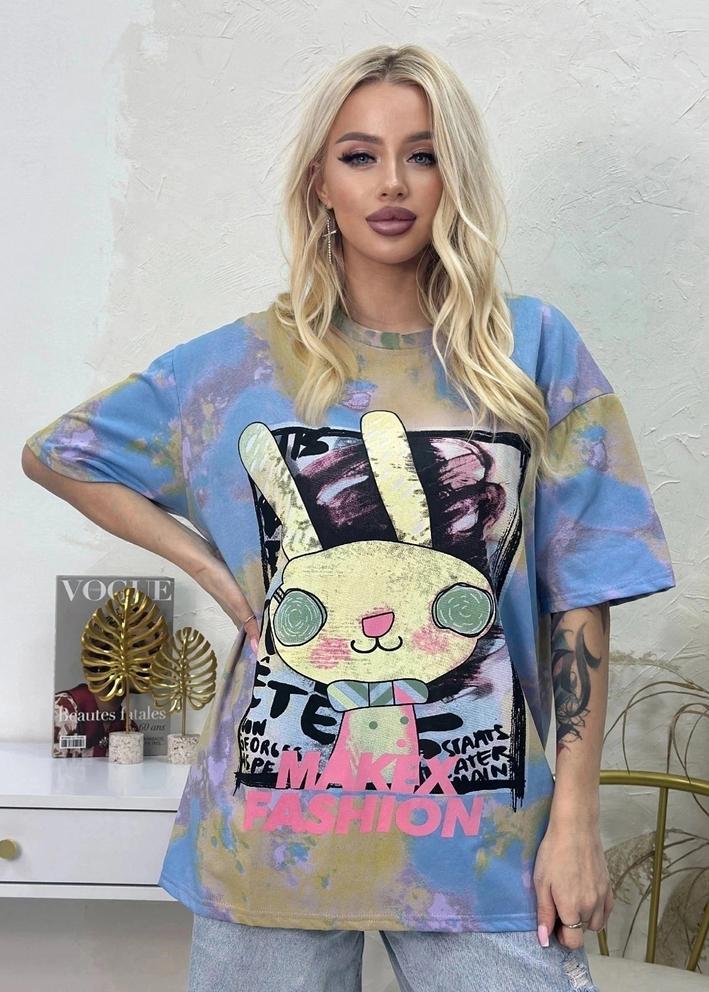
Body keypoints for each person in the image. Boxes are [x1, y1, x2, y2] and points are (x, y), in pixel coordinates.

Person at [22, 43, 675, 992]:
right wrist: (210, 569)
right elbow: (58, 453)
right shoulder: (238, 368)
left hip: (483, 845)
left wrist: (573, 820)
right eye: (360, 155)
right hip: (269, 849)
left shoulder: (529, 346)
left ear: (455, 176)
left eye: (423, 154)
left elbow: (584, 590)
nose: (392, 182)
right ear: (319, 184)